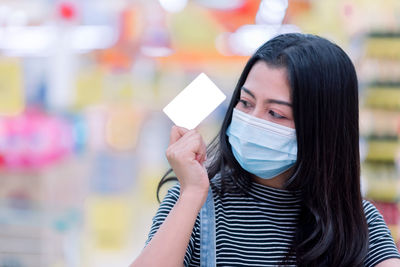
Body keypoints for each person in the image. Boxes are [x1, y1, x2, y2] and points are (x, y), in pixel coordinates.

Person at [131, 33, 400, 267]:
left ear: (321, 128)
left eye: (275, 113)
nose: (252, 121)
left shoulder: (356, 222)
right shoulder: (193, 204)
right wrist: (191, 193)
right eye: (246, 103)